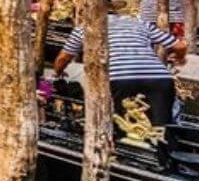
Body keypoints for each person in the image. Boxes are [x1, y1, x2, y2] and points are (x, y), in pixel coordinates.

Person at [54, 14, 186, 126]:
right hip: (160, 78)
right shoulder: (140, 23)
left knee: (123, 123)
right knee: (162, 124)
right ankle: (165, 152)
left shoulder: (85, 27)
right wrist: (178, 58)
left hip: (119, 77)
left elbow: (63, 58)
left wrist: (58, 73)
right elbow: (180, 46)